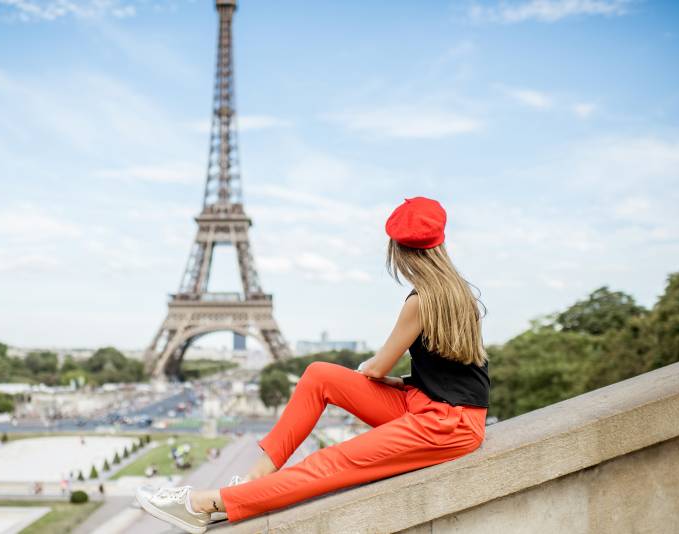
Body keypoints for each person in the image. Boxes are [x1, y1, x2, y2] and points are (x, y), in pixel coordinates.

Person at [135, 196, 491, 534]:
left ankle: (205, 504)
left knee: (330, 462)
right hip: (433, 408)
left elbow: (376, 368)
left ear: (398, 251)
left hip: (446, 425)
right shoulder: (459, 295)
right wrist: (405, 382)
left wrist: (372, 372)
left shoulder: (420, 302)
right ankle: (255, 477)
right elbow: (454, 368)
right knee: (319, 374)